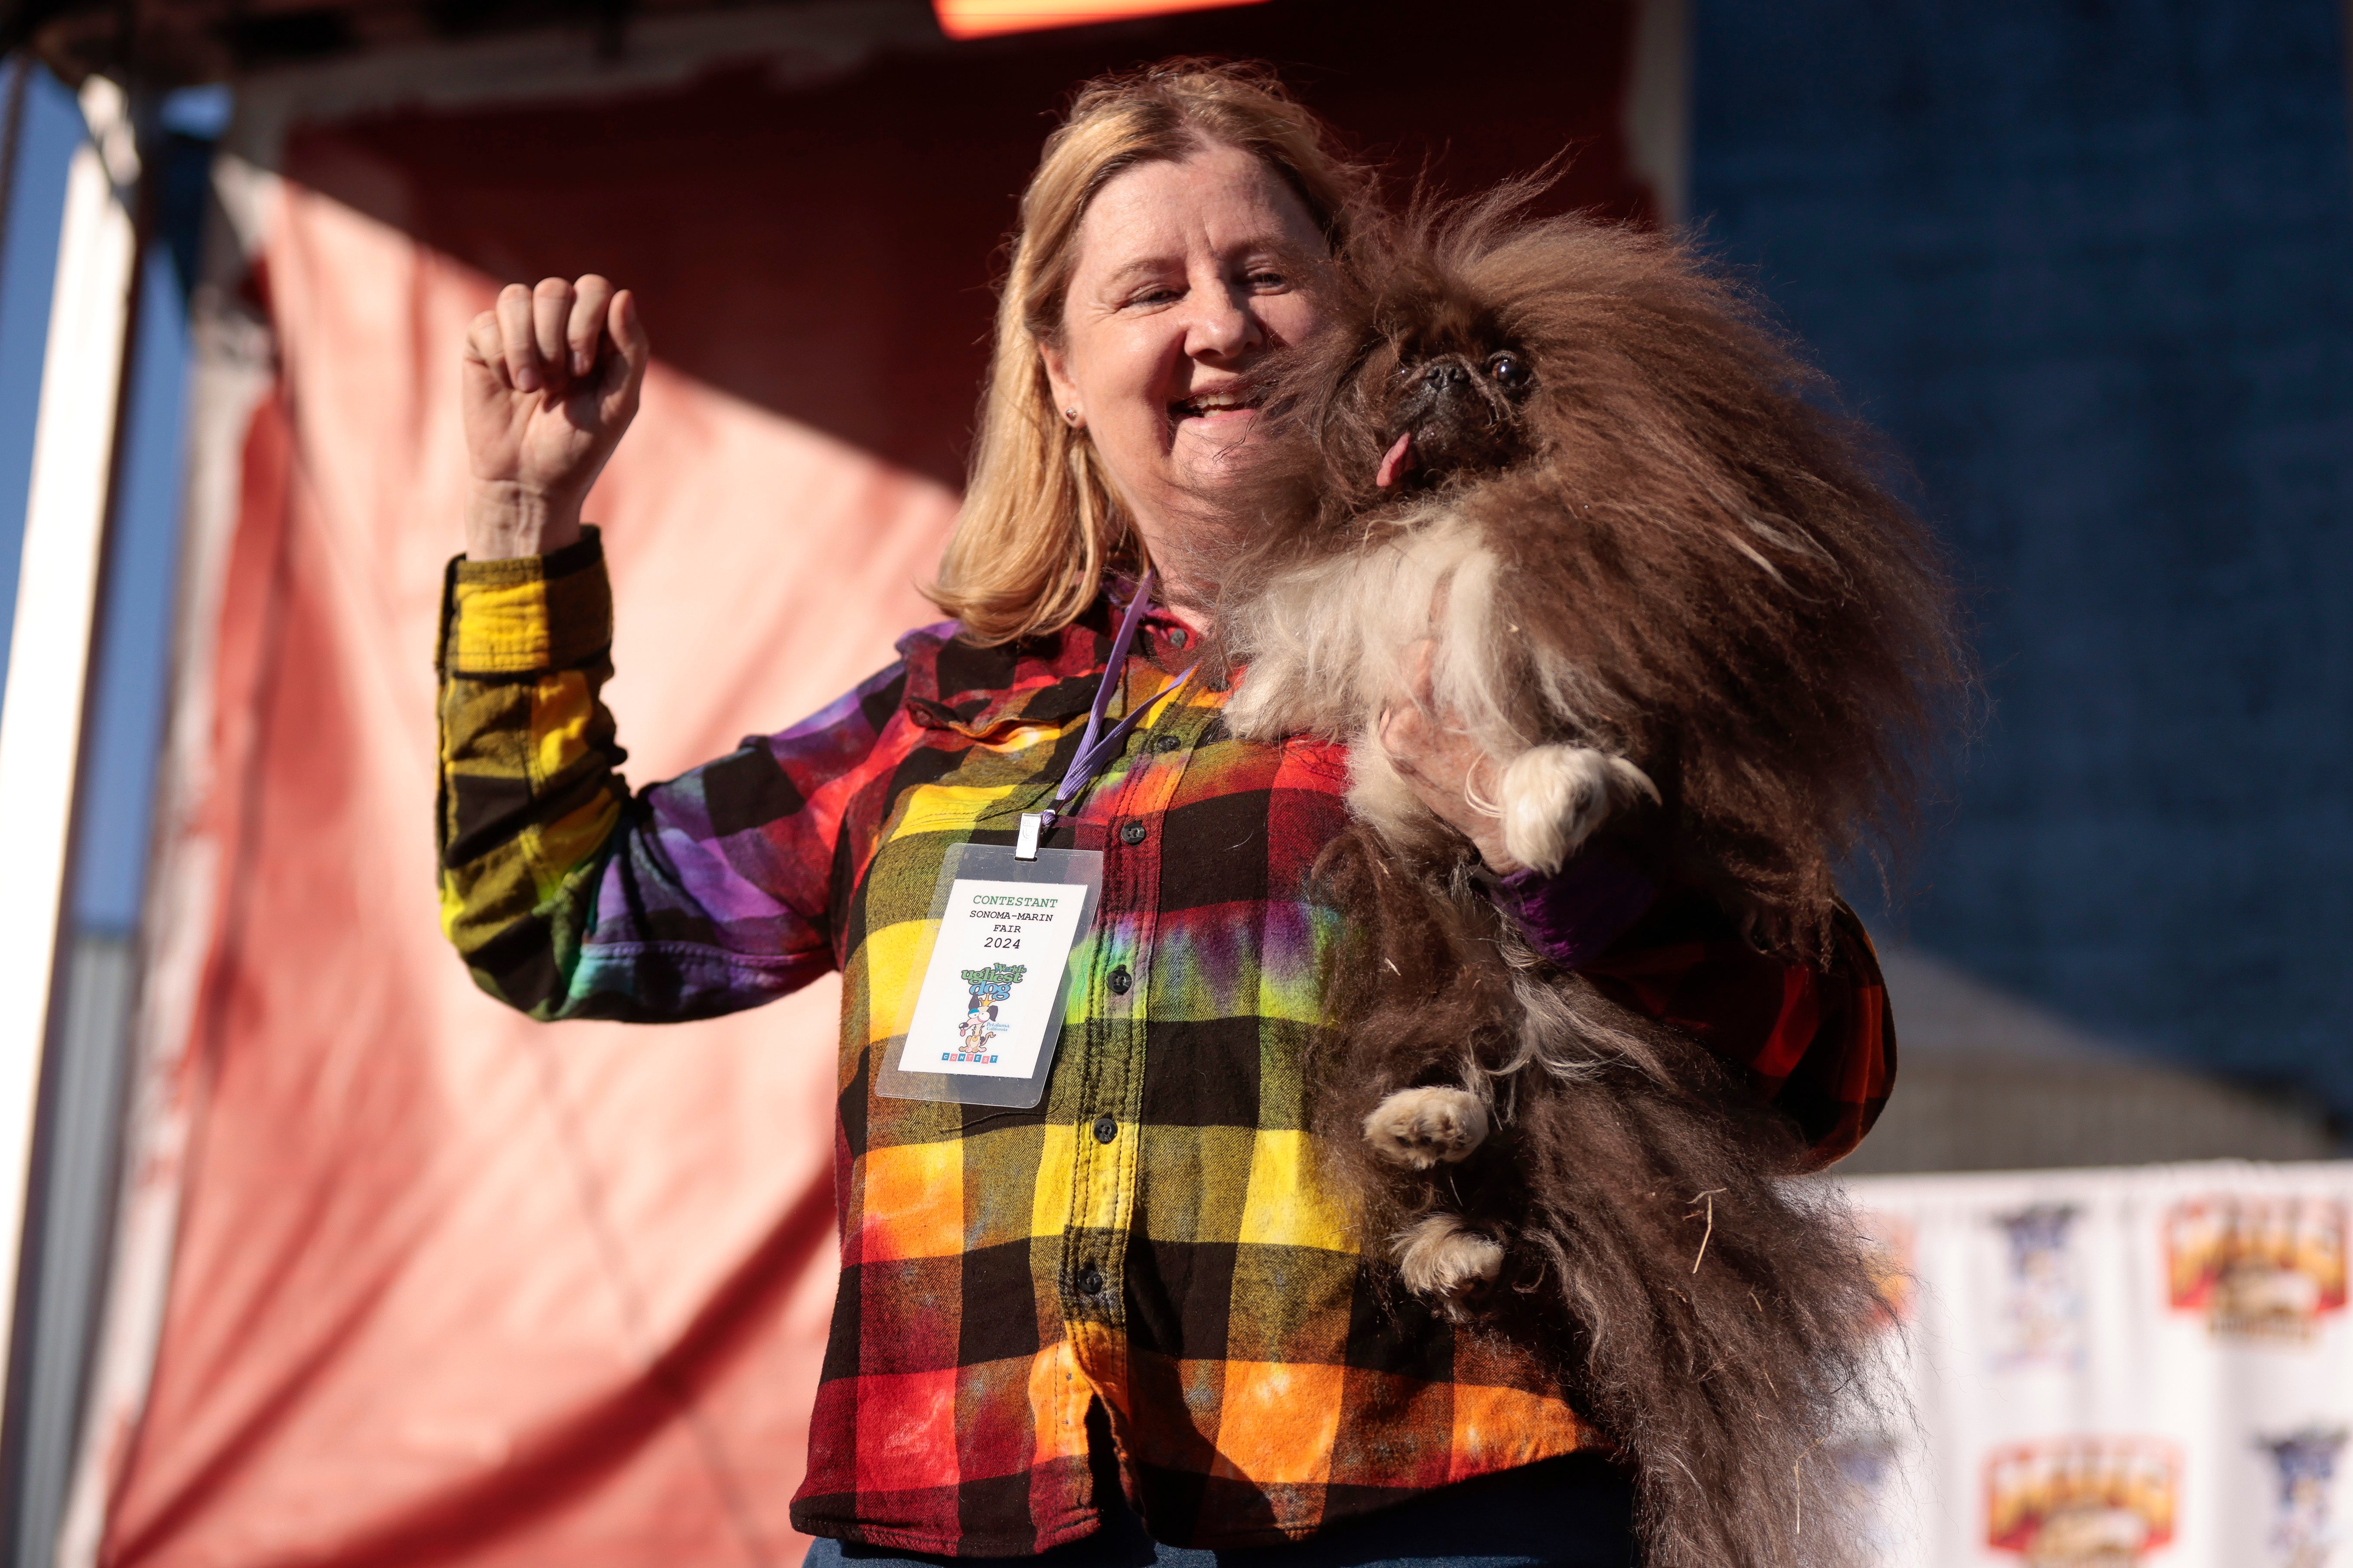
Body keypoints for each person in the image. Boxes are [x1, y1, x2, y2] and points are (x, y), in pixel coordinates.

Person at [438, 60, 1894, 1568]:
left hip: (1414, 1510)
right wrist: (516, 520)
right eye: (1146, 290)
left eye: (1266, 274)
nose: (1216, 326)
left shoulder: (1497, 636)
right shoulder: (941, 720)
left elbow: (1829, 1058)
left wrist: (1567, 873)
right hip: (952, 1519)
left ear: (1359, 319)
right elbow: (546, 917)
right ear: (1058, 369)